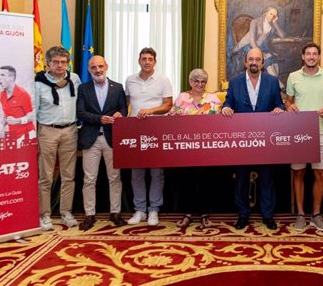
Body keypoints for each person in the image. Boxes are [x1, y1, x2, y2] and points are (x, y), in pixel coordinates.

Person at [221, 48, 284, 230]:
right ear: (245, 62)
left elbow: (279, 103)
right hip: (243, 139)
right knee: (241, 178)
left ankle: (268, 215)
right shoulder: (235, 82)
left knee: (267, 178)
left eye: (258, 59)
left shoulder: (272, 82)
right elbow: (228, 102)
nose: (254, 62)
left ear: (263, 63)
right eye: (251, 59)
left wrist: (279, 109)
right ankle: (242, 214)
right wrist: (226, 108)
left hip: (266, 139)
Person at [286, 42, 323, 232]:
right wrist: (289, 107)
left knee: (320, 173)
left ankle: (316, 214)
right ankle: (300, 214)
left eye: (315, 54)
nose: (311, 57)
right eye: (308, 54)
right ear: (302, 56)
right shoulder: (293, 77)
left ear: (319, 57)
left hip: (321, 132)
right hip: (298, 133)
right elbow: (288, 101)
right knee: (298, 173)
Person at [76, 55, 128, 231]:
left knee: (114, 178)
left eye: (100, 66)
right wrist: (99, 119)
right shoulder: (83, 88)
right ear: (89, 70)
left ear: (106, 66)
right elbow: (80, 113)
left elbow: (123, 109)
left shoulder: (118, 87)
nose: (97, 70)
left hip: (112, 139)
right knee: (89, 179)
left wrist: (121, 115)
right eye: (93, 68)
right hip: (91, 139)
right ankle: (89, 215)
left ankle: (115, 213)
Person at [125, 47, 173, 226]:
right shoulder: (130, 80)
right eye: (143, 58)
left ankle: (154, 210)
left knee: (156, 172)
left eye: (150, 59)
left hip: (156, 131)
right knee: (136, 172)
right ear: (139, 61)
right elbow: (127, 104)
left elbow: (168, 105)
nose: (146, 62)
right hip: (134, 131)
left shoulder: (163, 80)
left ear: (155, 62)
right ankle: (140, 210)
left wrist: (150, 111)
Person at [35, 46, 81, 231]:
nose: (60, 65)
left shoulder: (74, 79)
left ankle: (65, 212)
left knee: (69, 175)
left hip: (70, 130)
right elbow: (34, 111)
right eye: (56, 62)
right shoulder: (38, 83)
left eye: (63, 62)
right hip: (47, 131)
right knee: (45, 176)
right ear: (48, 63)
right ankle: (44, 215)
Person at [171, 68, 222, 229]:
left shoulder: (213, 99)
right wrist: (175, 117)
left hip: (207, 148)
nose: (199, 84)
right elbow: (170, 118)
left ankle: (205, 213)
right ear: (190, 82)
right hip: (186, 149)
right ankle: (188, 213)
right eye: (196, 81)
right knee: (187, 180)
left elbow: (222, 121)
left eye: (203, 81)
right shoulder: (182, 98)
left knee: (205, 180)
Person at [232, 7, 286, 82]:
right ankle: (277, 83)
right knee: (266, 60)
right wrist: (260, 53)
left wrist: (275, 22)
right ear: (265, 13)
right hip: (248, 47)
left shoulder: (272, 25)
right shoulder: (255, 22)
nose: (272, 16)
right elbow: (252, 40)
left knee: (273, 59)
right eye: (271, 14)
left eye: (274, 15)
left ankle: (274, 82)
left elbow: (282, 35)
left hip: (260, 48)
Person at [0, 65, 35, 146]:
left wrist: (17, 121)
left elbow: (31, 116)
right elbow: (6, 116)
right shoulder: (2, 95)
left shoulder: (23, 94)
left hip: (28, 136)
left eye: (2, 75)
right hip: (13, 137)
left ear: (11, 77)